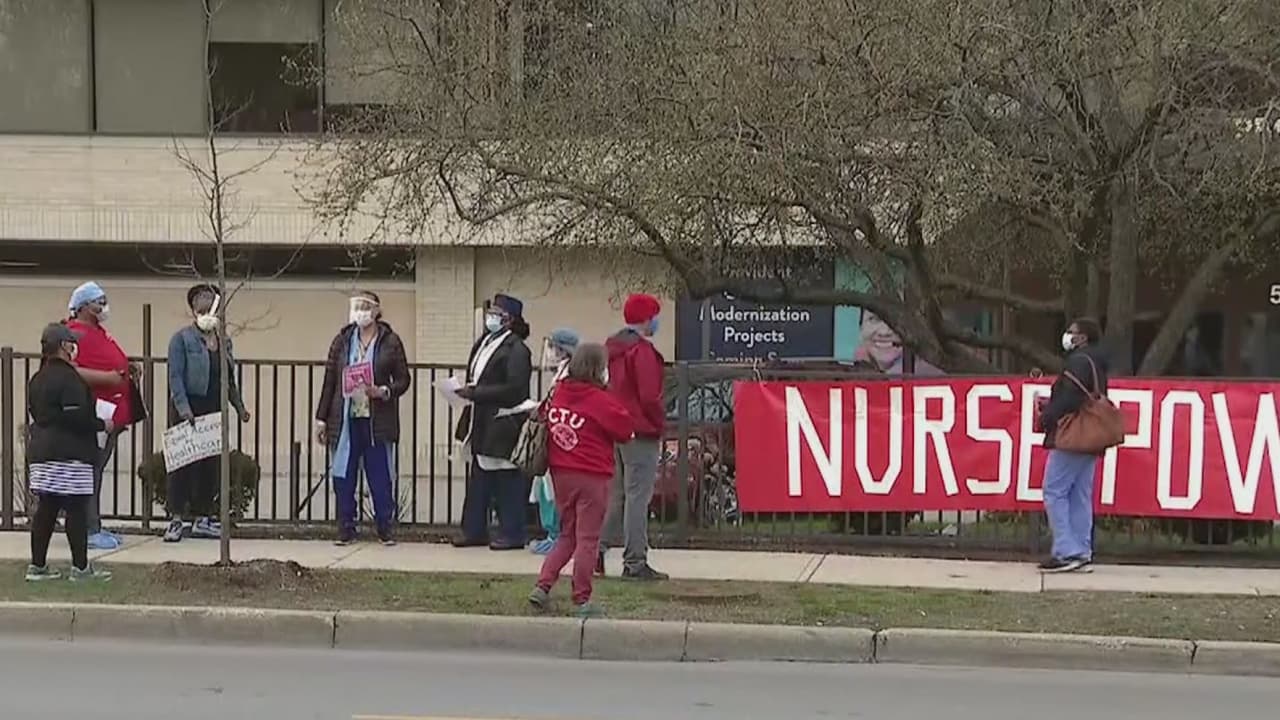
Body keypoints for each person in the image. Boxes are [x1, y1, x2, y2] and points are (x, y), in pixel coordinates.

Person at [529, 343, 634, 617]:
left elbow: (543, 416)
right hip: (592, 475)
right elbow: (624, 430)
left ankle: (543, 584)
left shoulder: (558, 392)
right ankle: (582, 599)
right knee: (588, 538)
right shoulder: (600, 400)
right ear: (598, 369)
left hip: (561, 473)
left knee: (567, 534)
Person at [315, 291, 411, 546]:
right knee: (343, 475)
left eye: (365, 307)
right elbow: (330, 381)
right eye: (356, 306)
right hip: (346, 418)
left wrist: (384, 391)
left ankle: (385, 527)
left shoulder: (390, 341)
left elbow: (403, 379)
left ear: (377, 311)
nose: (360, 312)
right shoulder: (343, 341)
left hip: (376, 421)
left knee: (380, 475)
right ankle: (345, 527)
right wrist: (321, 418)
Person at [25, 323, 112, 582]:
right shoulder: (70, 379)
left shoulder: (37, 379)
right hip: (71, 453)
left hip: (42, 452)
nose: (75, 347)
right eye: (72, 343)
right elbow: (75, 417)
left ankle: (37, 566)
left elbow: (38, 414)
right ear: (63, 346)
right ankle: (80, 568)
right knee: (76, 508)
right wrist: (102, 424)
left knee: (47, 508)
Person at [164, 285, 250, 543]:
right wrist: (184, 409)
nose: (205, 314)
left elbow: (229, 379)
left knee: (209, 466)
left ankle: (203, 517)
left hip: (213, 408)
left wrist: (239, 407)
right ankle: (176, 518)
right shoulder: (181, 339)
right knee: (182, 464)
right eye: (200, 308)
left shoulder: (224, 342)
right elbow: (175, 377)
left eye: (209, 308)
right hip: (189, 407)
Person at [453, 293, 535, 551]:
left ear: (509, 320)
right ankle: (474, 530)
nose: (492, 318)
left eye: (498, 314)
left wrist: (477, 393)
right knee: (480, 478)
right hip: (481, 420)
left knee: (507, 479)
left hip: (503, 421)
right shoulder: (484, 342)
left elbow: (515, 388)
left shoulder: (517, 350)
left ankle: (513, 532)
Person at [599, 293, 668, 580]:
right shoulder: (642, 352)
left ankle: (594, 552)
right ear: (647, 319)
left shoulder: (611, 350)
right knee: (638, 497)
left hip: (615, 429)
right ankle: (635, 561)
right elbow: (650, 396)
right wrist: (659, 422)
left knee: (615, 495)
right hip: (640, 431)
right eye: (655, 316)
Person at [65, 281, 137, 550]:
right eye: (99, 301)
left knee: (96, 470)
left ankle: (94, 525)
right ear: (84, 307)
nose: (104, 306)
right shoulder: (73, 334)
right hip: (95, 413)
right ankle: (88, 529)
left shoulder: (97, 331)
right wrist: (107, 378)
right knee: (90, 471)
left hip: (111, 414)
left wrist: (126, 368)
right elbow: (68, 369)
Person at [1038, 317, 1108, 574]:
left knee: (1054, 491)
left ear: (1083, 337)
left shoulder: (1078, 362)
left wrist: (1047, 416)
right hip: (1091, 437)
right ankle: (1081, 549)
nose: (1067, 335)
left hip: (1073, 435)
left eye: (1072, 332)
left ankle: (1066, 551)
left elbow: (1070, 397)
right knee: (1080, 494)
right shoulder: (1097, 362)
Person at [529, 327, 580, 555]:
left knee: (553, 490)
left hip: (560, 438)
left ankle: (558, 535)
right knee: (545, 488)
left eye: (553, 347)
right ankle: (552, 533)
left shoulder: (571, 375)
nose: (549, 352)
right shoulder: (561, 372)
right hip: (552, 434)